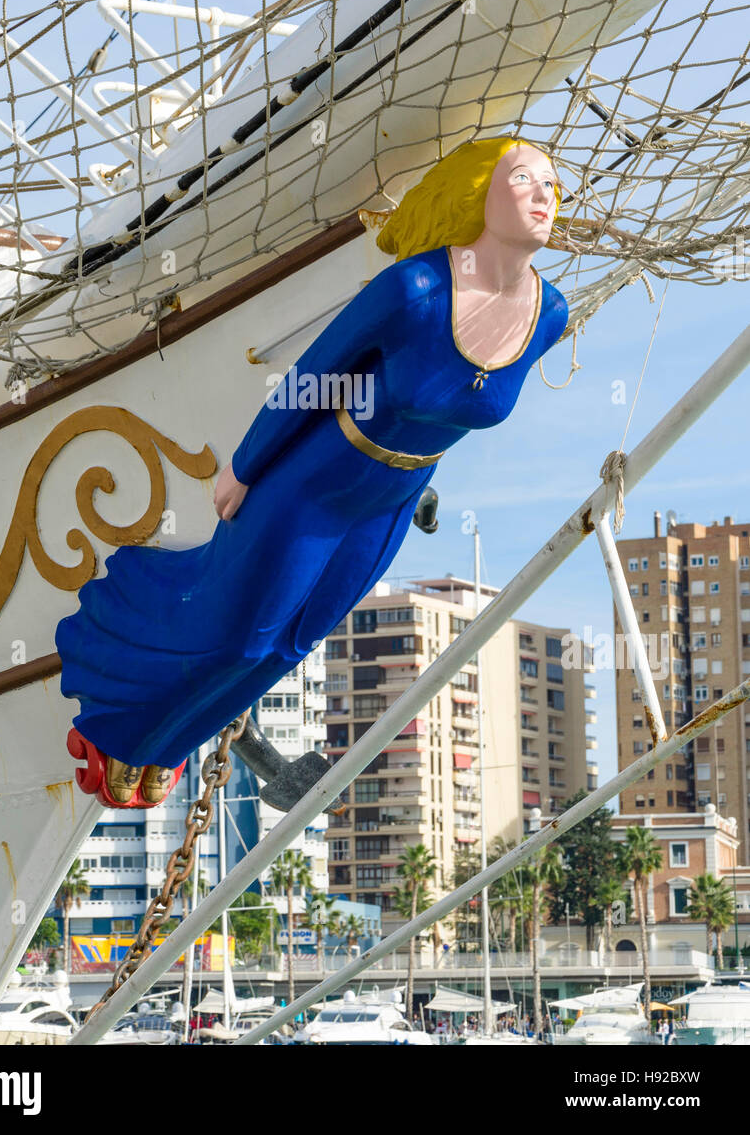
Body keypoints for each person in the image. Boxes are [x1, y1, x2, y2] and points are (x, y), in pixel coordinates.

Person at [57, 137, 569, 800]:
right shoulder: (414, 291)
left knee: (293, 644)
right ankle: (121, 723)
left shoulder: (548, 312)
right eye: (524, 179)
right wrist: (245, 467)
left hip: (393, 496)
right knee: (244, 638)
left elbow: (466, 403)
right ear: (477, 193)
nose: (544, 195)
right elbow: (316, 378)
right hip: (317, 484)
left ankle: (168, 742)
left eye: (553, 184)